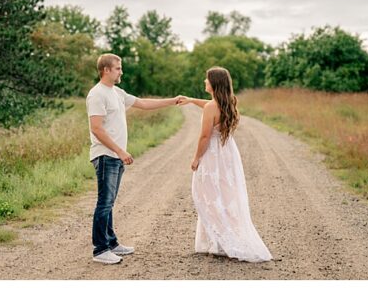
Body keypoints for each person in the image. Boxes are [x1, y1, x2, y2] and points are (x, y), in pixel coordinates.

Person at [86, 53, 183, 265]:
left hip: (115, 156)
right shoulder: (97, 95)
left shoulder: (117, 92)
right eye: (118, 68)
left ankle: (111, 243)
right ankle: (100, 249)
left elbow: (143, 103)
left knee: (109, 203)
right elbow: (96, 129)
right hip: (105, 155)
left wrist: (173, 101)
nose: (121, 72)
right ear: (106, 70)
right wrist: (120, 151)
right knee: (104, 203)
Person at [181, 68, 272, 262]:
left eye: (207, 79)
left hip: (213, 154)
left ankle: (221, 241)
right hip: (228, 153)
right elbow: (208, 105)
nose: (204, 81)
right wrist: (190, 100)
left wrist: (196, 157)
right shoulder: (227, 102)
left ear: (214, 83)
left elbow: (205, 136)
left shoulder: (211, 107)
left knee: (210, 196)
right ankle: (218, 240)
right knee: (225, 194)